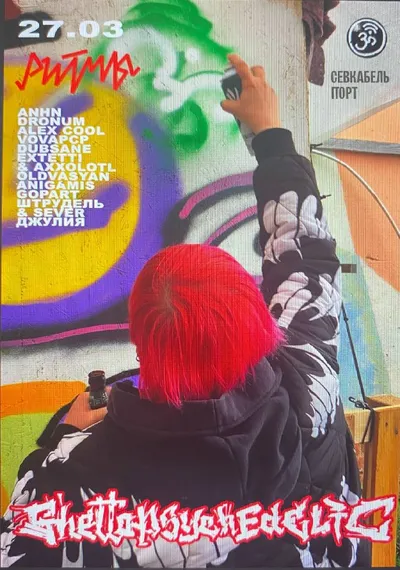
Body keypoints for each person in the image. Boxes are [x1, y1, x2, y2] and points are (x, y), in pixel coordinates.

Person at [1, 54, 371, 568]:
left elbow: (17, 547)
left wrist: (62, 436)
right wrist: (269, 136)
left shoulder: (74, 472)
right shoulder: (308, 381)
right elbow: (305, 253)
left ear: (141, 341)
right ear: (256, 320)